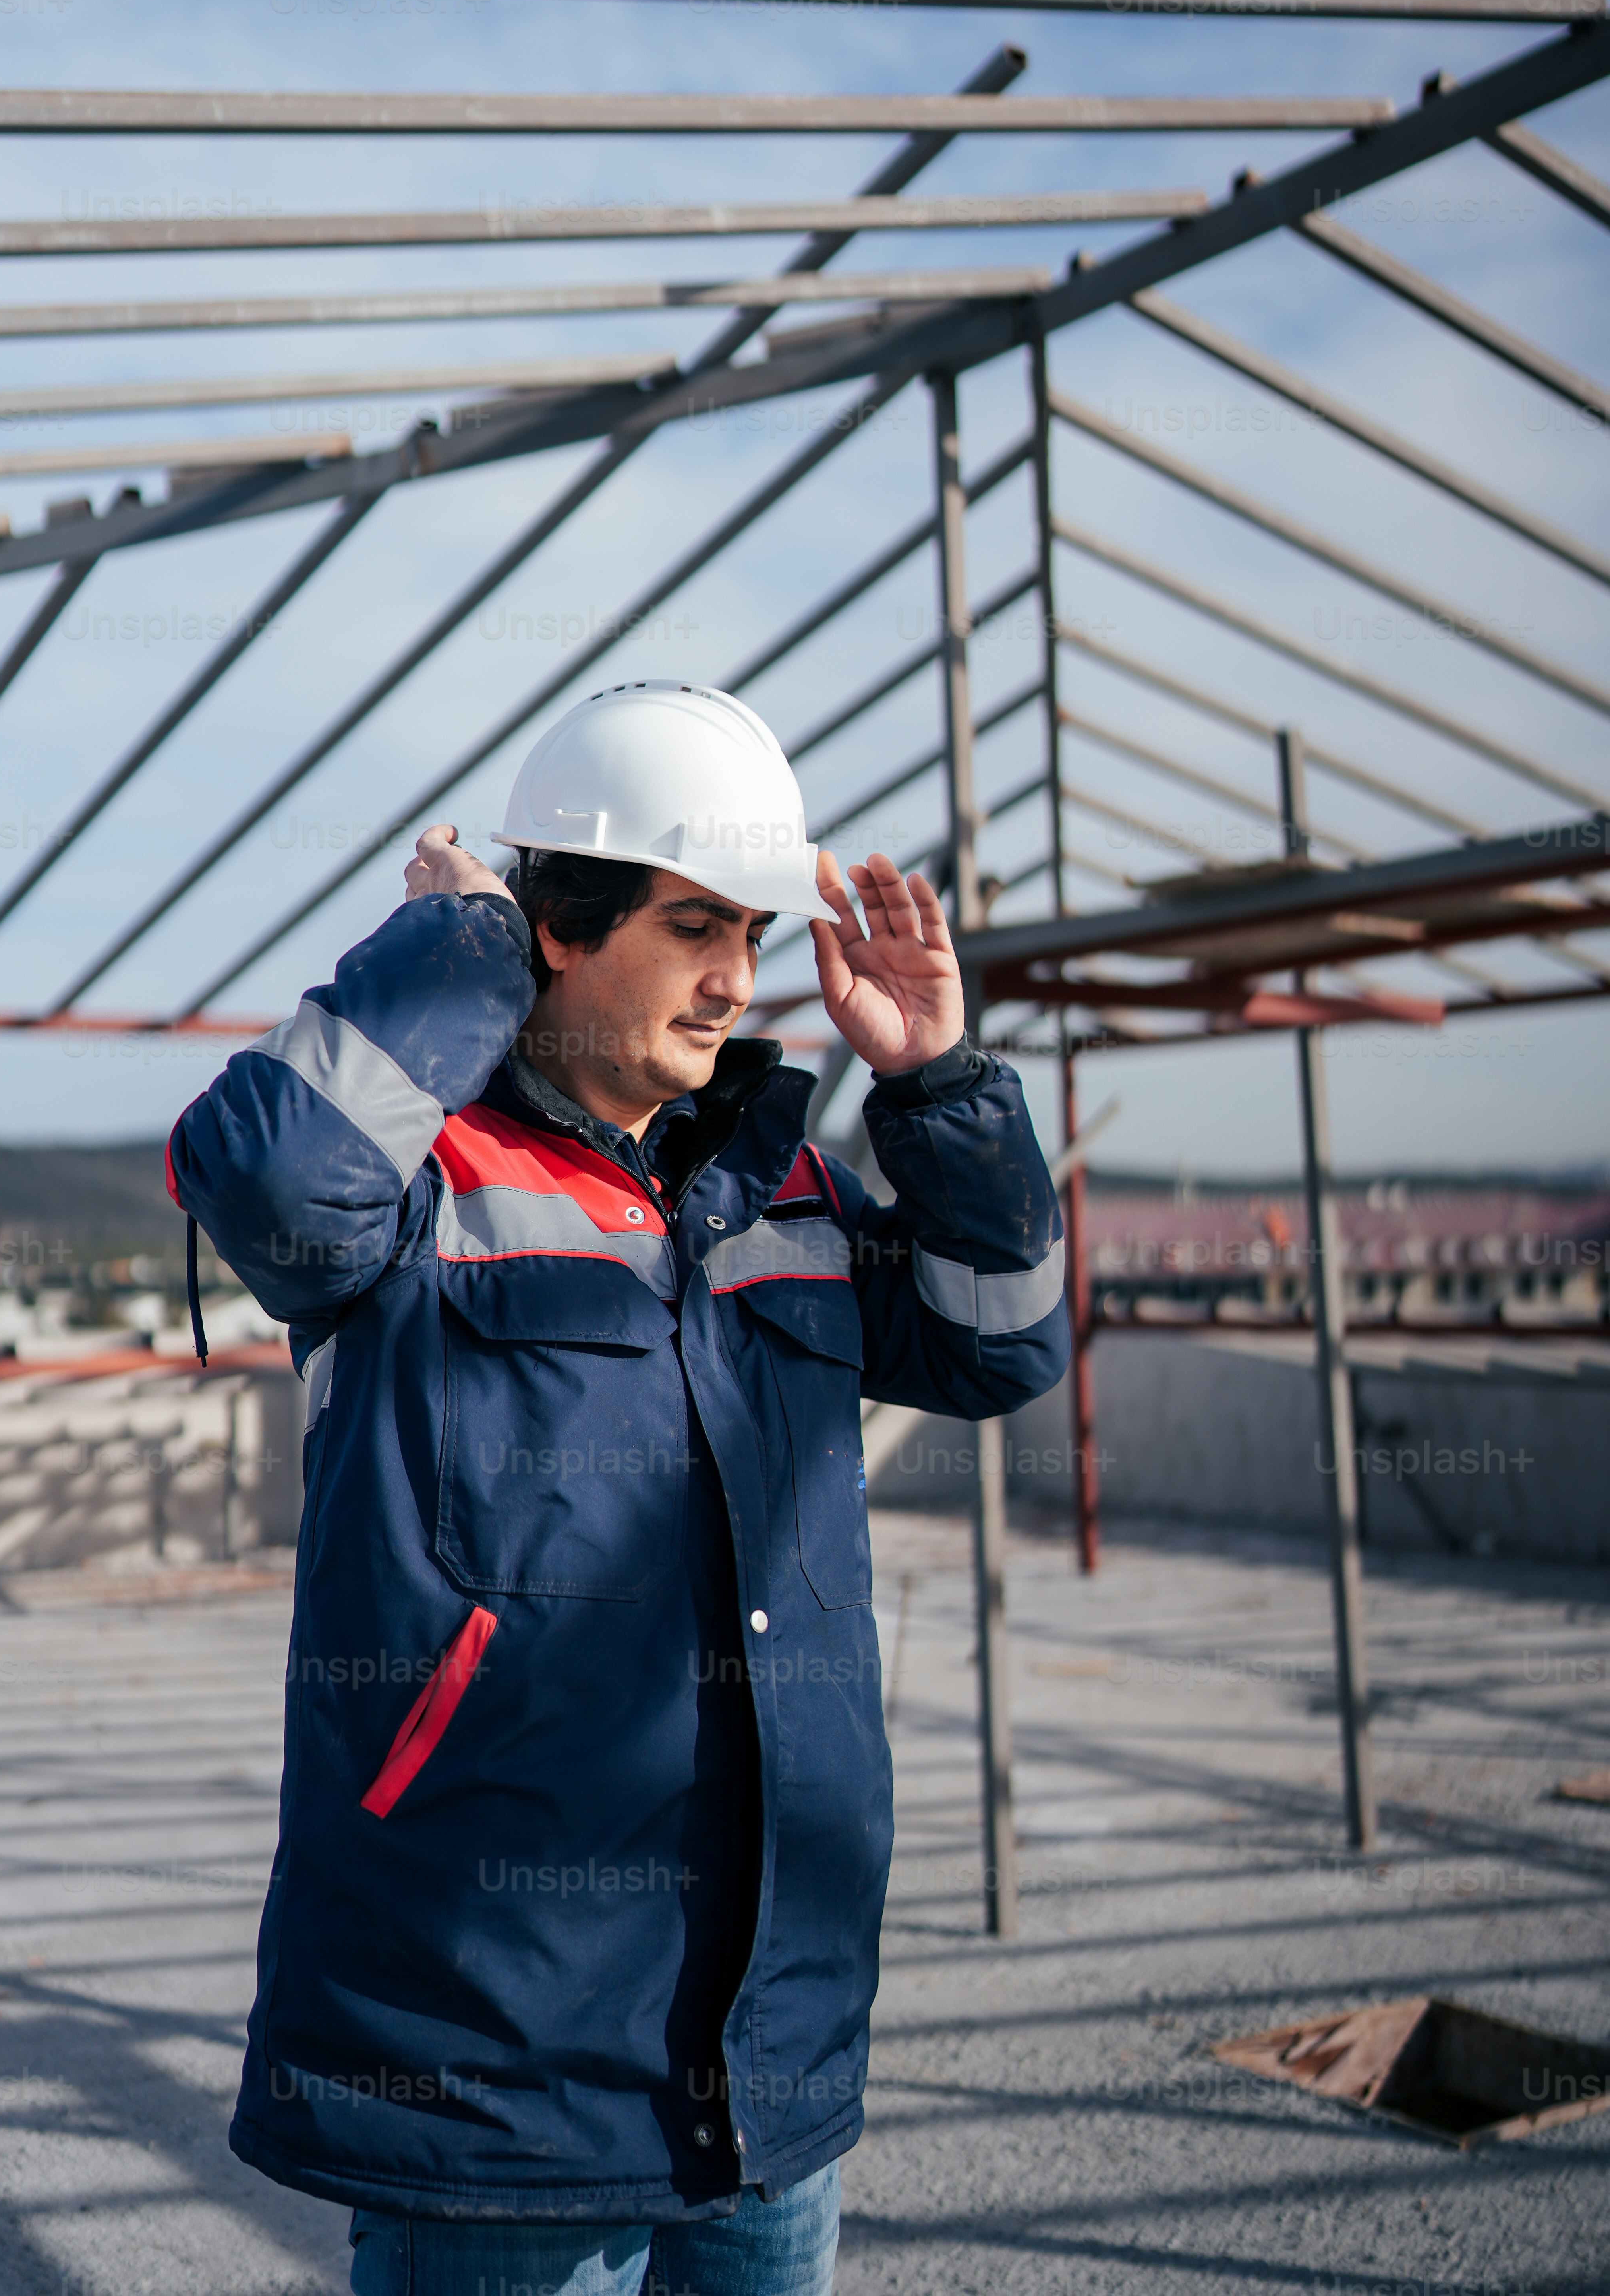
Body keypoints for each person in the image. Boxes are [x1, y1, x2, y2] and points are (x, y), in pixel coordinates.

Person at [167, 679, 1068, 2296]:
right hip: (494, 2047)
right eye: (691, 924)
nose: (735, 978)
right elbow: (270, 1178)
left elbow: (997, 1344)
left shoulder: (775, 1184)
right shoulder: (417, 1180)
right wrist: (466, 952)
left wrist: (935, 1086)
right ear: (563, 928)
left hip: (768, 2045)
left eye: (751, 932)